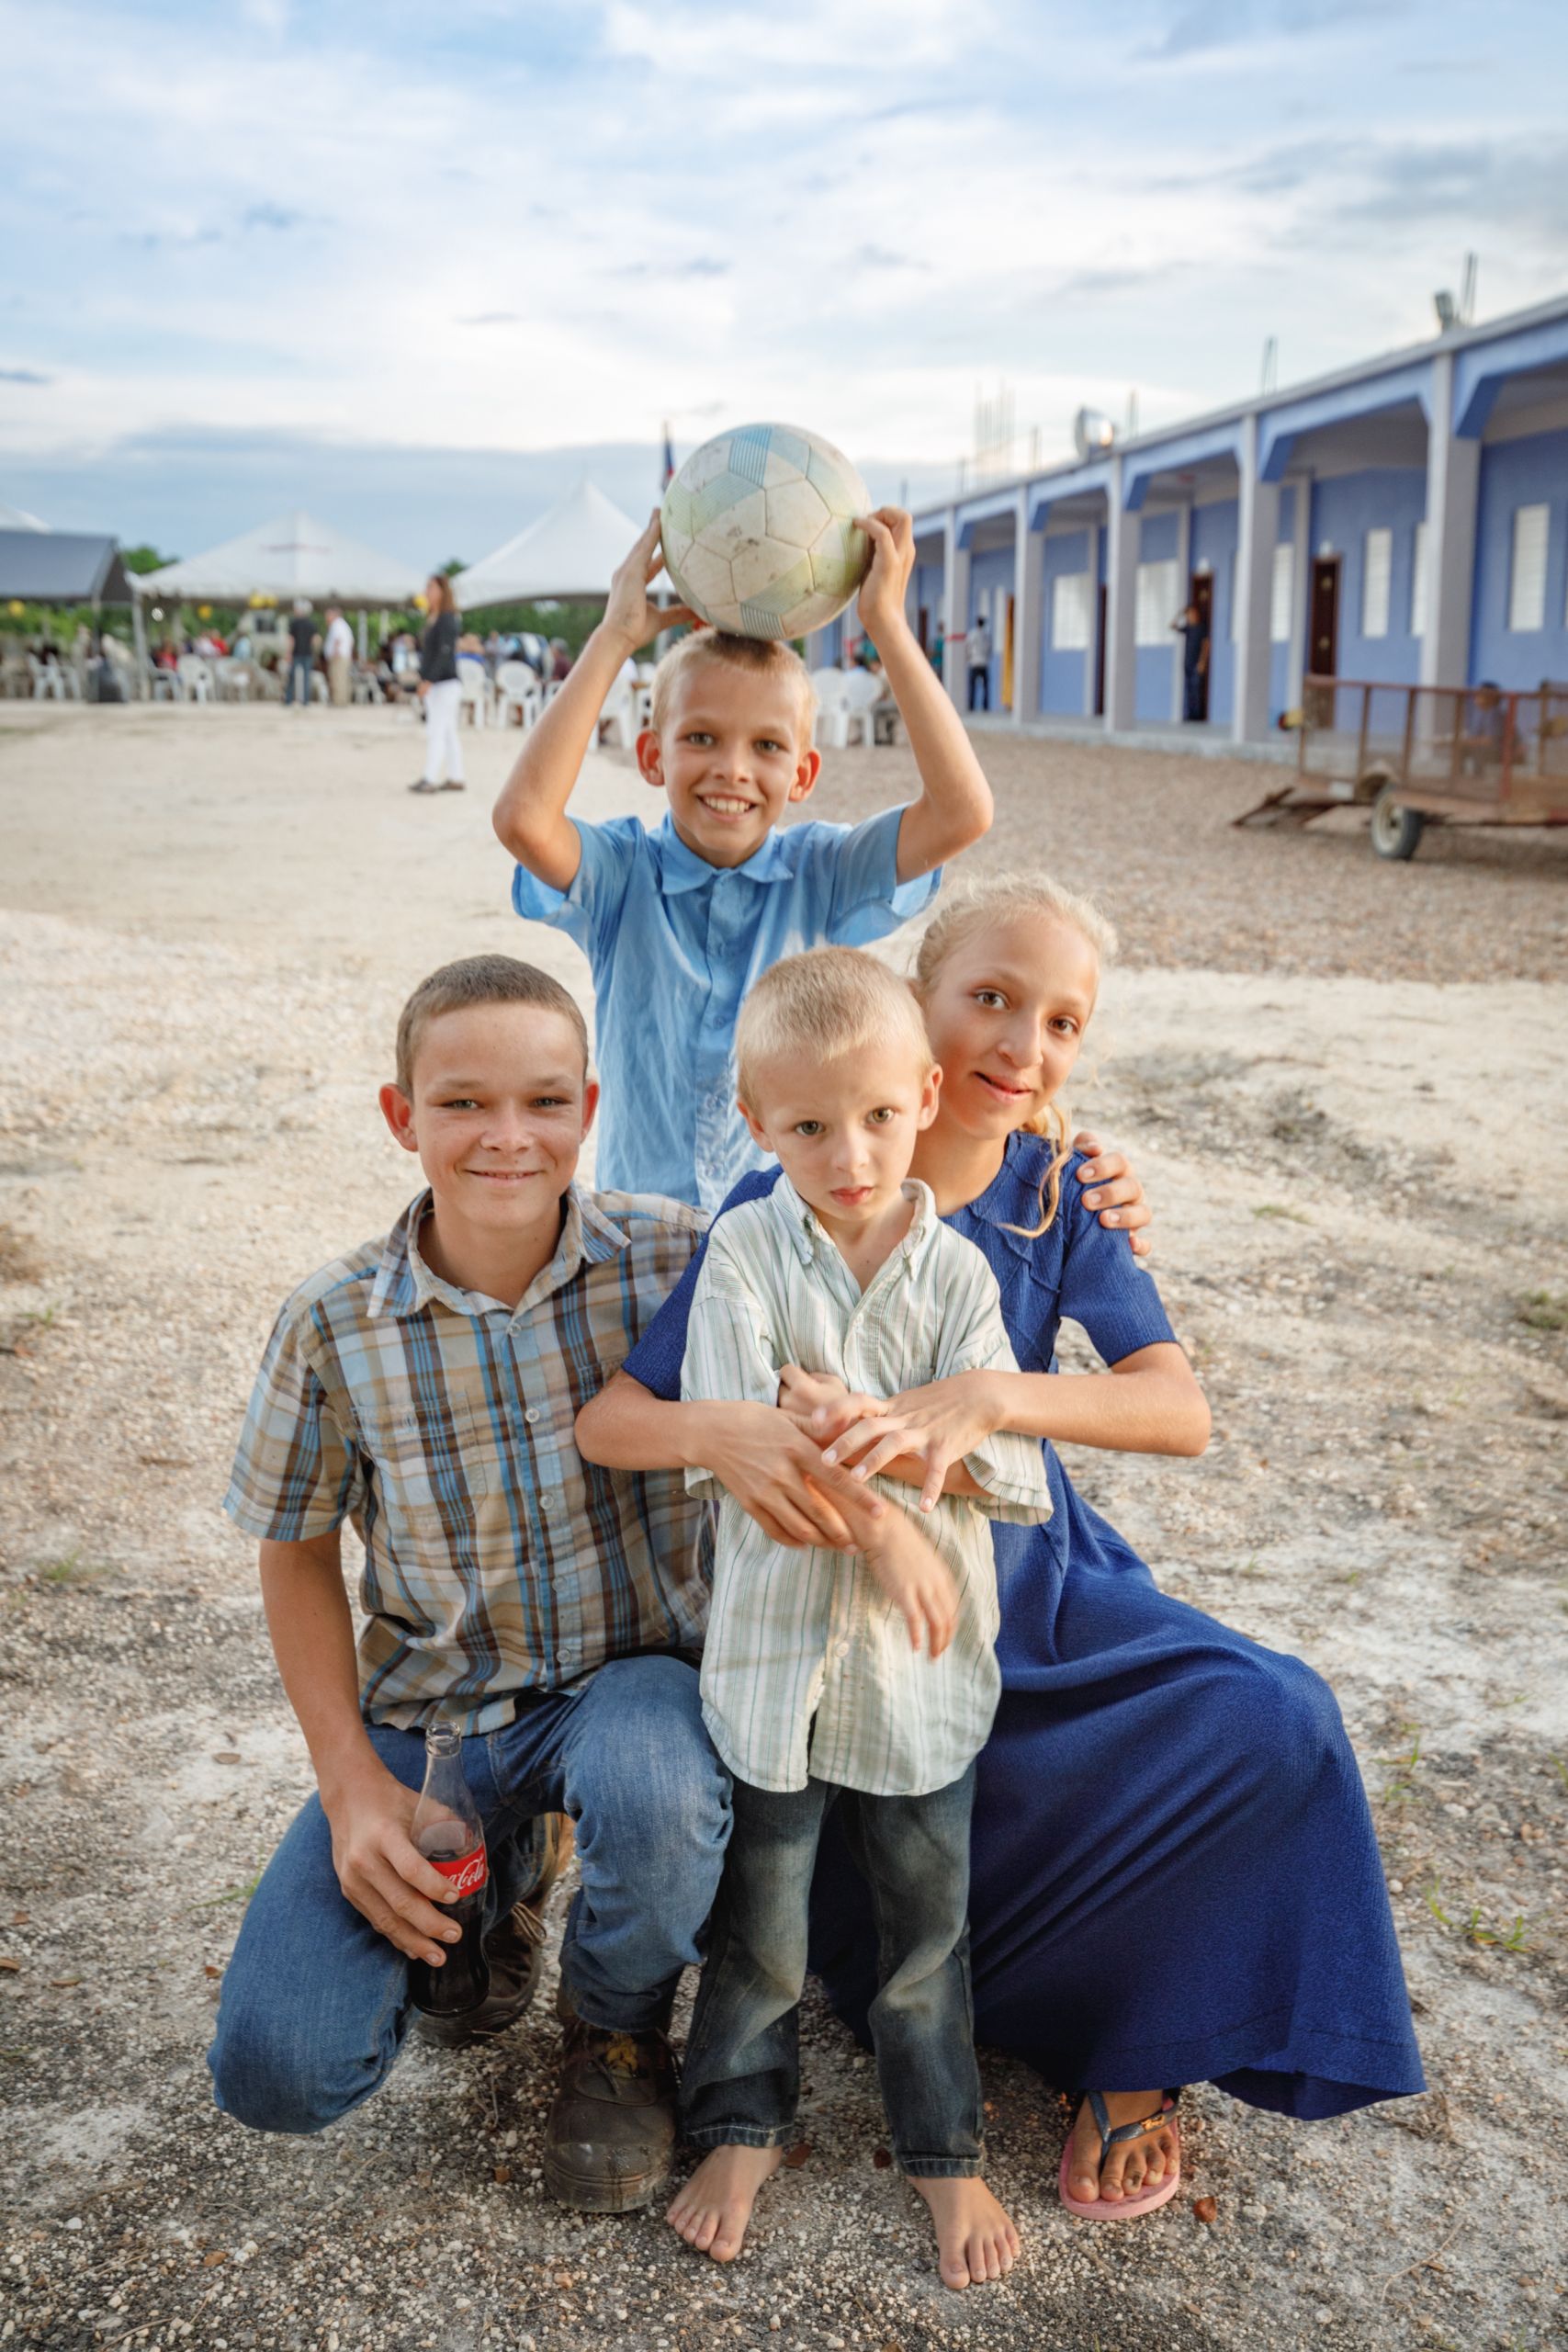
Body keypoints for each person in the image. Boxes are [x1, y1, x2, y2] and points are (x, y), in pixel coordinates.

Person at [576, 870, 1423, 2221]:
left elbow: (1174, 1406)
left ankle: (1139, 2047)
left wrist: (992, 1394)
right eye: (987, 1000)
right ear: (913, 1015)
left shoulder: (1057, 1197)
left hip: (1034, 1577)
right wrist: (720, 1432)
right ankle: (910, 2025)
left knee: (1275, 1720)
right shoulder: (789, 1189)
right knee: (865, 1842)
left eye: (1061, 1022)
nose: (1022, 1047)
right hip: (854, 1610)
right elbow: (623, 1409)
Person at [209, 955, 730, 2214]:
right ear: (402, 1117)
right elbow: (293, 1550)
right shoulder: (334, 1321)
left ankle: (611, 2034)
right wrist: (348, 1789)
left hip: (631, 1689)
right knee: (279, 2072)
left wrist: (1071, 1177)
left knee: (655, 1782)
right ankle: (499, 1873)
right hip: (438, 1715)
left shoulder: (680, 1262)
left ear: (588, 1107)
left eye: (545, 1102)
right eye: (461, 1103)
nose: (508, 1136)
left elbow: (864, 1194)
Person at [667, 948, 1054, 2289]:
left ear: (926, 1093)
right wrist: (882, 1501)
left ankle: (941, 2151)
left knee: (925, 1940)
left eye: (882, 1116)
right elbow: (751, 1441)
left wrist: (884, 1429)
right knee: (757, 1930)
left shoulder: (953, 1279)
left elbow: (1007, 1465)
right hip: (773, 1669)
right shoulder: (744, 1252)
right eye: (808, 1126)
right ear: (755, 1122)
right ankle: (738, 2122)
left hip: (917, 1678)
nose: (850, 1154)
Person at [493, 506, 992, 1212]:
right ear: (649, 755)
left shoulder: (823, 875)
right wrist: (613, 639)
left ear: (802, 774)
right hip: (640, 1238)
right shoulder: (619, 875)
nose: (732, 769)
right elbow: (522, 820)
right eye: (699, 738)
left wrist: (885, 625)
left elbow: (962, 813)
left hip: (782, 1241)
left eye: (766, 746)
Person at [412, 573, 465, 795]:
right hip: (438, 682)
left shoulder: (447, 618)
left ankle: (430, 777)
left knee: (437, 729)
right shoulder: (434, 617)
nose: (427, 591)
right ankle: (456, 776)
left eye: (432, 587)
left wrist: (429, 680)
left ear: (443, 591)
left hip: (445, 683)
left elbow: (445, 653)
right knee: (448, 731)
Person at [1173, 601, 1210, 722]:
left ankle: (1197, 715)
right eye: (1189, 614)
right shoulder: (1188, 628)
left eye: (1193, 614)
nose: (1191, 616)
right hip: (1187, 662)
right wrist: (1180, 614)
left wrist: (1202, 662)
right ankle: (1190, 714)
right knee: (1189, 689)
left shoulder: (1201, 627)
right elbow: (1172, 626)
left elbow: (1206, 645)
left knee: (1196, 689)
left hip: (1197, 663)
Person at [285, 600, 318, 708]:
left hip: (296, 654)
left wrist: (288, 653)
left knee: (292, 677)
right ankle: (306, 702)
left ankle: (289, 700)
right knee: (306, 678)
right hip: (307, 654)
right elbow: (315, 640)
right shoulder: (312, 624)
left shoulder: (294, 623)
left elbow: (291, 640)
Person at [323, 605, 354, 707]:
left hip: (338, 657)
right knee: (342, 679)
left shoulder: (337, 625)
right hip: (343, 656)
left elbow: (337, 640)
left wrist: (336, 652)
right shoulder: (343, 625)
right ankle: (341, 700)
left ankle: (338, 701)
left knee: (337, 679)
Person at [966, 614, 991, 712]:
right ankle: (985, 706)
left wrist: (968, 658)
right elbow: (989, 648)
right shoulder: (986, 635)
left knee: (972, 686)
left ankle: (971, 705)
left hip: (974, 662)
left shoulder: (972, 634)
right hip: (984, 663)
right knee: (985, 686)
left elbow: (968, 647)